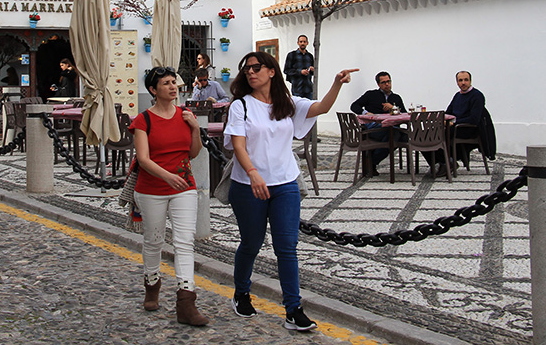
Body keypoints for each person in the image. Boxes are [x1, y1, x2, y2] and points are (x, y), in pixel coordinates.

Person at [225, 50, 356, 331]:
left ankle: (294, 309)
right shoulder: (240, 106)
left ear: (272, 71)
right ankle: (241, 293)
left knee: (287, 248)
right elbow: (238, 145)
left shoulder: (288, 103)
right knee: (251, 243)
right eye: (246, 68)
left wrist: (337, 83)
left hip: (285, 184)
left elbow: (321, 108)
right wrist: (253, 174)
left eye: (257, 67)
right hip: (249, 186)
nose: (250, 72)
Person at [129, 66, 209, 326]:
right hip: (152, 188)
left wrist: (195, 129)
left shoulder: (185, 115)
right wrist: (167, 176)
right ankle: (152, 283)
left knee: (184, 242)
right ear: (153, 90)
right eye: (166, 83)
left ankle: (186, 302)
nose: (173, 87)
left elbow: (194, 153)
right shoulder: (144, 120)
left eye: (174, 82)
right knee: (154, 240)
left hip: (184, 187)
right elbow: (143, 158)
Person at [350, 71, 407, 175]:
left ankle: (371, 162)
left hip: (392, 128)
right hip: (374, 129)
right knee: (396, 135)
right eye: (384, 82)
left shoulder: (396, 98)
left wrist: (393, 108)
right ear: (378, 84)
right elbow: (354, 106)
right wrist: (366, 113)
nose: (387, 84)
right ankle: (371, 162)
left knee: (404, 136)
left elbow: (404, 114)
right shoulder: (371, 95)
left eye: (388, 81)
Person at [445, 70, 496, 170]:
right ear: (457, 82)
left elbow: (474, 119)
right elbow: (449, 112)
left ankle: (447, 162)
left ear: (470, 81)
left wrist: (453, 122)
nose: (463, 83)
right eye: (460, 80)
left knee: (442, 134)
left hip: (469, 129)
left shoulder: (477, 96)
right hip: (456, 127)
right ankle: (443, 161)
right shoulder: (457, 96)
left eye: (466, 80)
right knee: (431, 134)